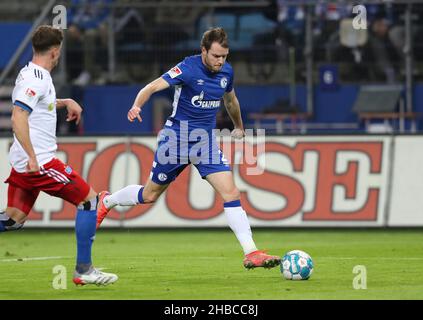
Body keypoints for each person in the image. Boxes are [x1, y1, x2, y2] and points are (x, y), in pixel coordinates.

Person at [96, 27, 281, 270]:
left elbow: (231, 100)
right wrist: (137, 106)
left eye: (224, 56)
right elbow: (151, 87)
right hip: (176, 139)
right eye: (215, 56)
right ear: (203, 51)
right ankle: (107, 201)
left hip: (205, 142)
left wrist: (238, 126)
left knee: (231, 193)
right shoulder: (187, 68)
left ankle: (251, 252)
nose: (220, 61)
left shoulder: (226, 71)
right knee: (149, 195)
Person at [0, 25, 118, 286]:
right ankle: (84, 270)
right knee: (89, 201)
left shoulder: (30, 73)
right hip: (38, 162)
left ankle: (84, 269)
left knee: (12, 219)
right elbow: (18, 116)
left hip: (25, 162)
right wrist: (32, 156)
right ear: (55, 52)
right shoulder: (37, 79)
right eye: (60, 51)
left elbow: (38, 103)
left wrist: (65, 102)